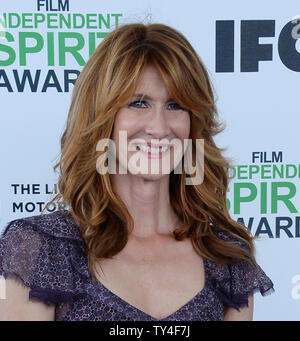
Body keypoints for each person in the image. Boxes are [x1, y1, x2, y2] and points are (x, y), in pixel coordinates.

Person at [0, 22, 274, 321]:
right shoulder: (39, 247)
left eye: (175, 105)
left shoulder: (226, 255)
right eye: (138, 103)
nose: (158, 128)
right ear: (101, 115)